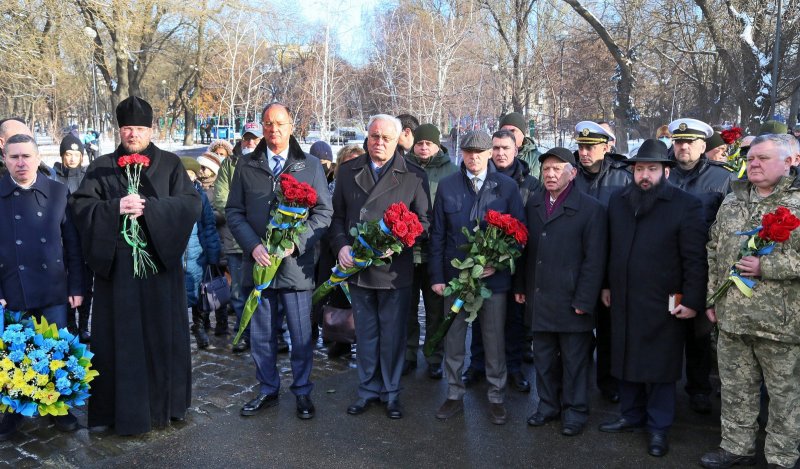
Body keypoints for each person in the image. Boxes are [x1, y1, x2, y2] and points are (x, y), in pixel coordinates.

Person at [69, 96, 201, 435]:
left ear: (151, 129)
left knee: (161, 337)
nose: (133, 134)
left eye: (139, 128)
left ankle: (165, 408)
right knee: (120, 342)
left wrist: (151, 210)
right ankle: (120, 413)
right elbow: (81, 208)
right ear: (119, 130)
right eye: (127, 128)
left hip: (159, 271)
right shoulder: (100, 166)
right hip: (120, 278)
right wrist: (115, 207)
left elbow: (189, 205)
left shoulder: (172, 164)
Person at [599, 139, 707, 457]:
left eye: (652, 169)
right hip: (624, 298)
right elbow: (611, 249)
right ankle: (631, 416)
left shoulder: (686, 205)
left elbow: (695, 259)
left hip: (665, 301)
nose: (645, 175)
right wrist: (606, 285)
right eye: (640, 169)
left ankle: (658, 427)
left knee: (660, 365)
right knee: (625, 355)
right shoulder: (619, 201)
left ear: (666, 171)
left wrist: (692, 299)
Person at [226, 102, 332, 420]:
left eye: (280, 123)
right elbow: (234, 211)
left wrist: (295, 244)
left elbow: (324, 213)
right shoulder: (246, 165)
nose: (274, 130)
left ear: (291, 126)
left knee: (300, 335)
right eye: (269, 124)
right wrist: (253, 245)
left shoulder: (309, 165)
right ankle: (267, 389)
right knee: (261, 335)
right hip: (258, 265)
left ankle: (302, 391)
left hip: (295, 268)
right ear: (262, 126)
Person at [700, 134, 800, 469]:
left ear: (790, 162)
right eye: (751, 157)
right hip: (733, 318)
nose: (754, 163)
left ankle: (782, 458)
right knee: (736, 390)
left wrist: (767, 266)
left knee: (785, 397)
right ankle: (736, 448)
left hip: (781, 324)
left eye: (763, 158)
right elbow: (715, 249)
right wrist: (712, 297)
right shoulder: (733, 199)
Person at [329, 114, 430, 420]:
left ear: (398, 140)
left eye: (386, 138)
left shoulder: (413, 175)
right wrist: (342, 246)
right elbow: (336, 219)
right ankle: (367, 390)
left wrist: (398, 243)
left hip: (393, 271)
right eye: (374, 136)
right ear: (367, 137)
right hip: (358, 269)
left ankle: (391, 392)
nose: (379, 143)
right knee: (367, 333)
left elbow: (424, 223)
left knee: (392, 335)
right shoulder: (348, 171)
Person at [429, 130, 525, 426]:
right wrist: (436, 276)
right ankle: (454, 393)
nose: (473, 157)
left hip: (491, 281)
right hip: (455, 279)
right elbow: (437, 235)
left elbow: (519, 235)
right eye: (468, 152)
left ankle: (496, 396)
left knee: (494, 339)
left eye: (479, 152)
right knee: (454, 337)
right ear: (462, 154)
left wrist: (497, 263)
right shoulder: (447, 187)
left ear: (488, 155)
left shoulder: (506, 187)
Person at [517, 147, 607, 436]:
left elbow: (595, 260)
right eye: (546, 170)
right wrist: (521, 286)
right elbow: (524, 249)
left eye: (557, 169)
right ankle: (547, 407)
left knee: (574, 362)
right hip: (540, 296)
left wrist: (585, 299)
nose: (551, 174)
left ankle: (575, 411)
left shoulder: (591, 208)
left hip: (572, 301)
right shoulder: (533, 203)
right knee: (542, 358)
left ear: (572, 173)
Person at [0, 134, 84, 441]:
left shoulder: (58, 192)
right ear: (5, 159)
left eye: (26, 156)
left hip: (54, 287)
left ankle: (59, 405)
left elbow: (73, 245)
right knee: (14, 352)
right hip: (12, 289)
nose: (21, 163)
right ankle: (14, 408)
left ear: (38, 158)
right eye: (14, 157)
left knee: (56, 350)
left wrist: (76, 286)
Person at [463, 129, 542, 392]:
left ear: (516, 150)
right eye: (495, 148)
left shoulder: (529, 184)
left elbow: (529, 224)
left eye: (505, 148)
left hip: (516, 262)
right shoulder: (480, 178)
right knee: (479, 314)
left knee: (514, 319)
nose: (499, 153)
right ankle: (477, 365)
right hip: (485, 261)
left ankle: (514, 368)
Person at [667, 117, 734, 414]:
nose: (683, 146)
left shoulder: (722, 179)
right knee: (666, 331)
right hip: (666, 267)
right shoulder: (662, 173)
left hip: (702, 268)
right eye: (679, 141)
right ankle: (663, 388)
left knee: (699, 333)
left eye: (690, 142)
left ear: (703, 146)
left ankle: (698, 389)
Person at [572, 120, 632, 404]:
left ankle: (608, 381)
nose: (584, 152)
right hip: (575, 264)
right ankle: (575, 380)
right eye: (581, 146)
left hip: (610, 265)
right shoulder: (569, 175)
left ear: (606, 147)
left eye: (590, 147)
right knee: (576, 326)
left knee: (609, 328)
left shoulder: (623, 176)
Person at [402, 123, 457, 379]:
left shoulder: (450, 171)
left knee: (436, 308)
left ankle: (434, 355)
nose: (424, 148)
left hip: (436, 250)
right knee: (407, 308)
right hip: (407, 249)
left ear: (437, 145)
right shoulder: (402, 165)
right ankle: (408, 354)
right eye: (420, 143)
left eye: (429, 143)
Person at [215, 122, 263, 352]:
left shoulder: (267, 163)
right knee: (239, 291)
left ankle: (269, 334)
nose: (250, 142)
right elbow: (222, 199)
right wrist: (242, 218)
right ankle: (242, 334)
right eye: (247, 138)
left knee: (263, 290)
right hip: (236, 241)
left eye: (254, 138)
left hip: (264, 243)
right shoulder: (230, 164)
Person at [52, 133, 92, 342]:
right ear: (62, 155)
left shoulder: (88, 176)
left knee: (85, 284)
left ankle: (84, 324)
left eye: (77, 154)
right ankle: (70, 324)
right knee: (66, 283)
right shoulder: (53, 175)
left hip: (84, 238)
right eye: (69, 154)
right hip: (61, 240)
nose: (73, 158)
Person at [180, 157, 221, 349]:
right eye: (184, 173)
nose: (188, 178)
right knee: (178, 296)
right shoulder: (170, 194)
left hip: (198, 255)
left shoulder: (201, 195)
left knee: (200, 293)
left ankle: (199, 328)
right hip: (177, 255)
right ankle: (178, 332)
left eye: (191, 174)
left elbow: (209, 225)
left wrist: (213, 253)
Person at [498, 112, 542, 178]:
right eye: (504, 131)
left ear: (522, 134)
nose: (508, 134)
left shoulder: (538, 159)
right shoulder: (493, 157)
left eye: (512, 131)